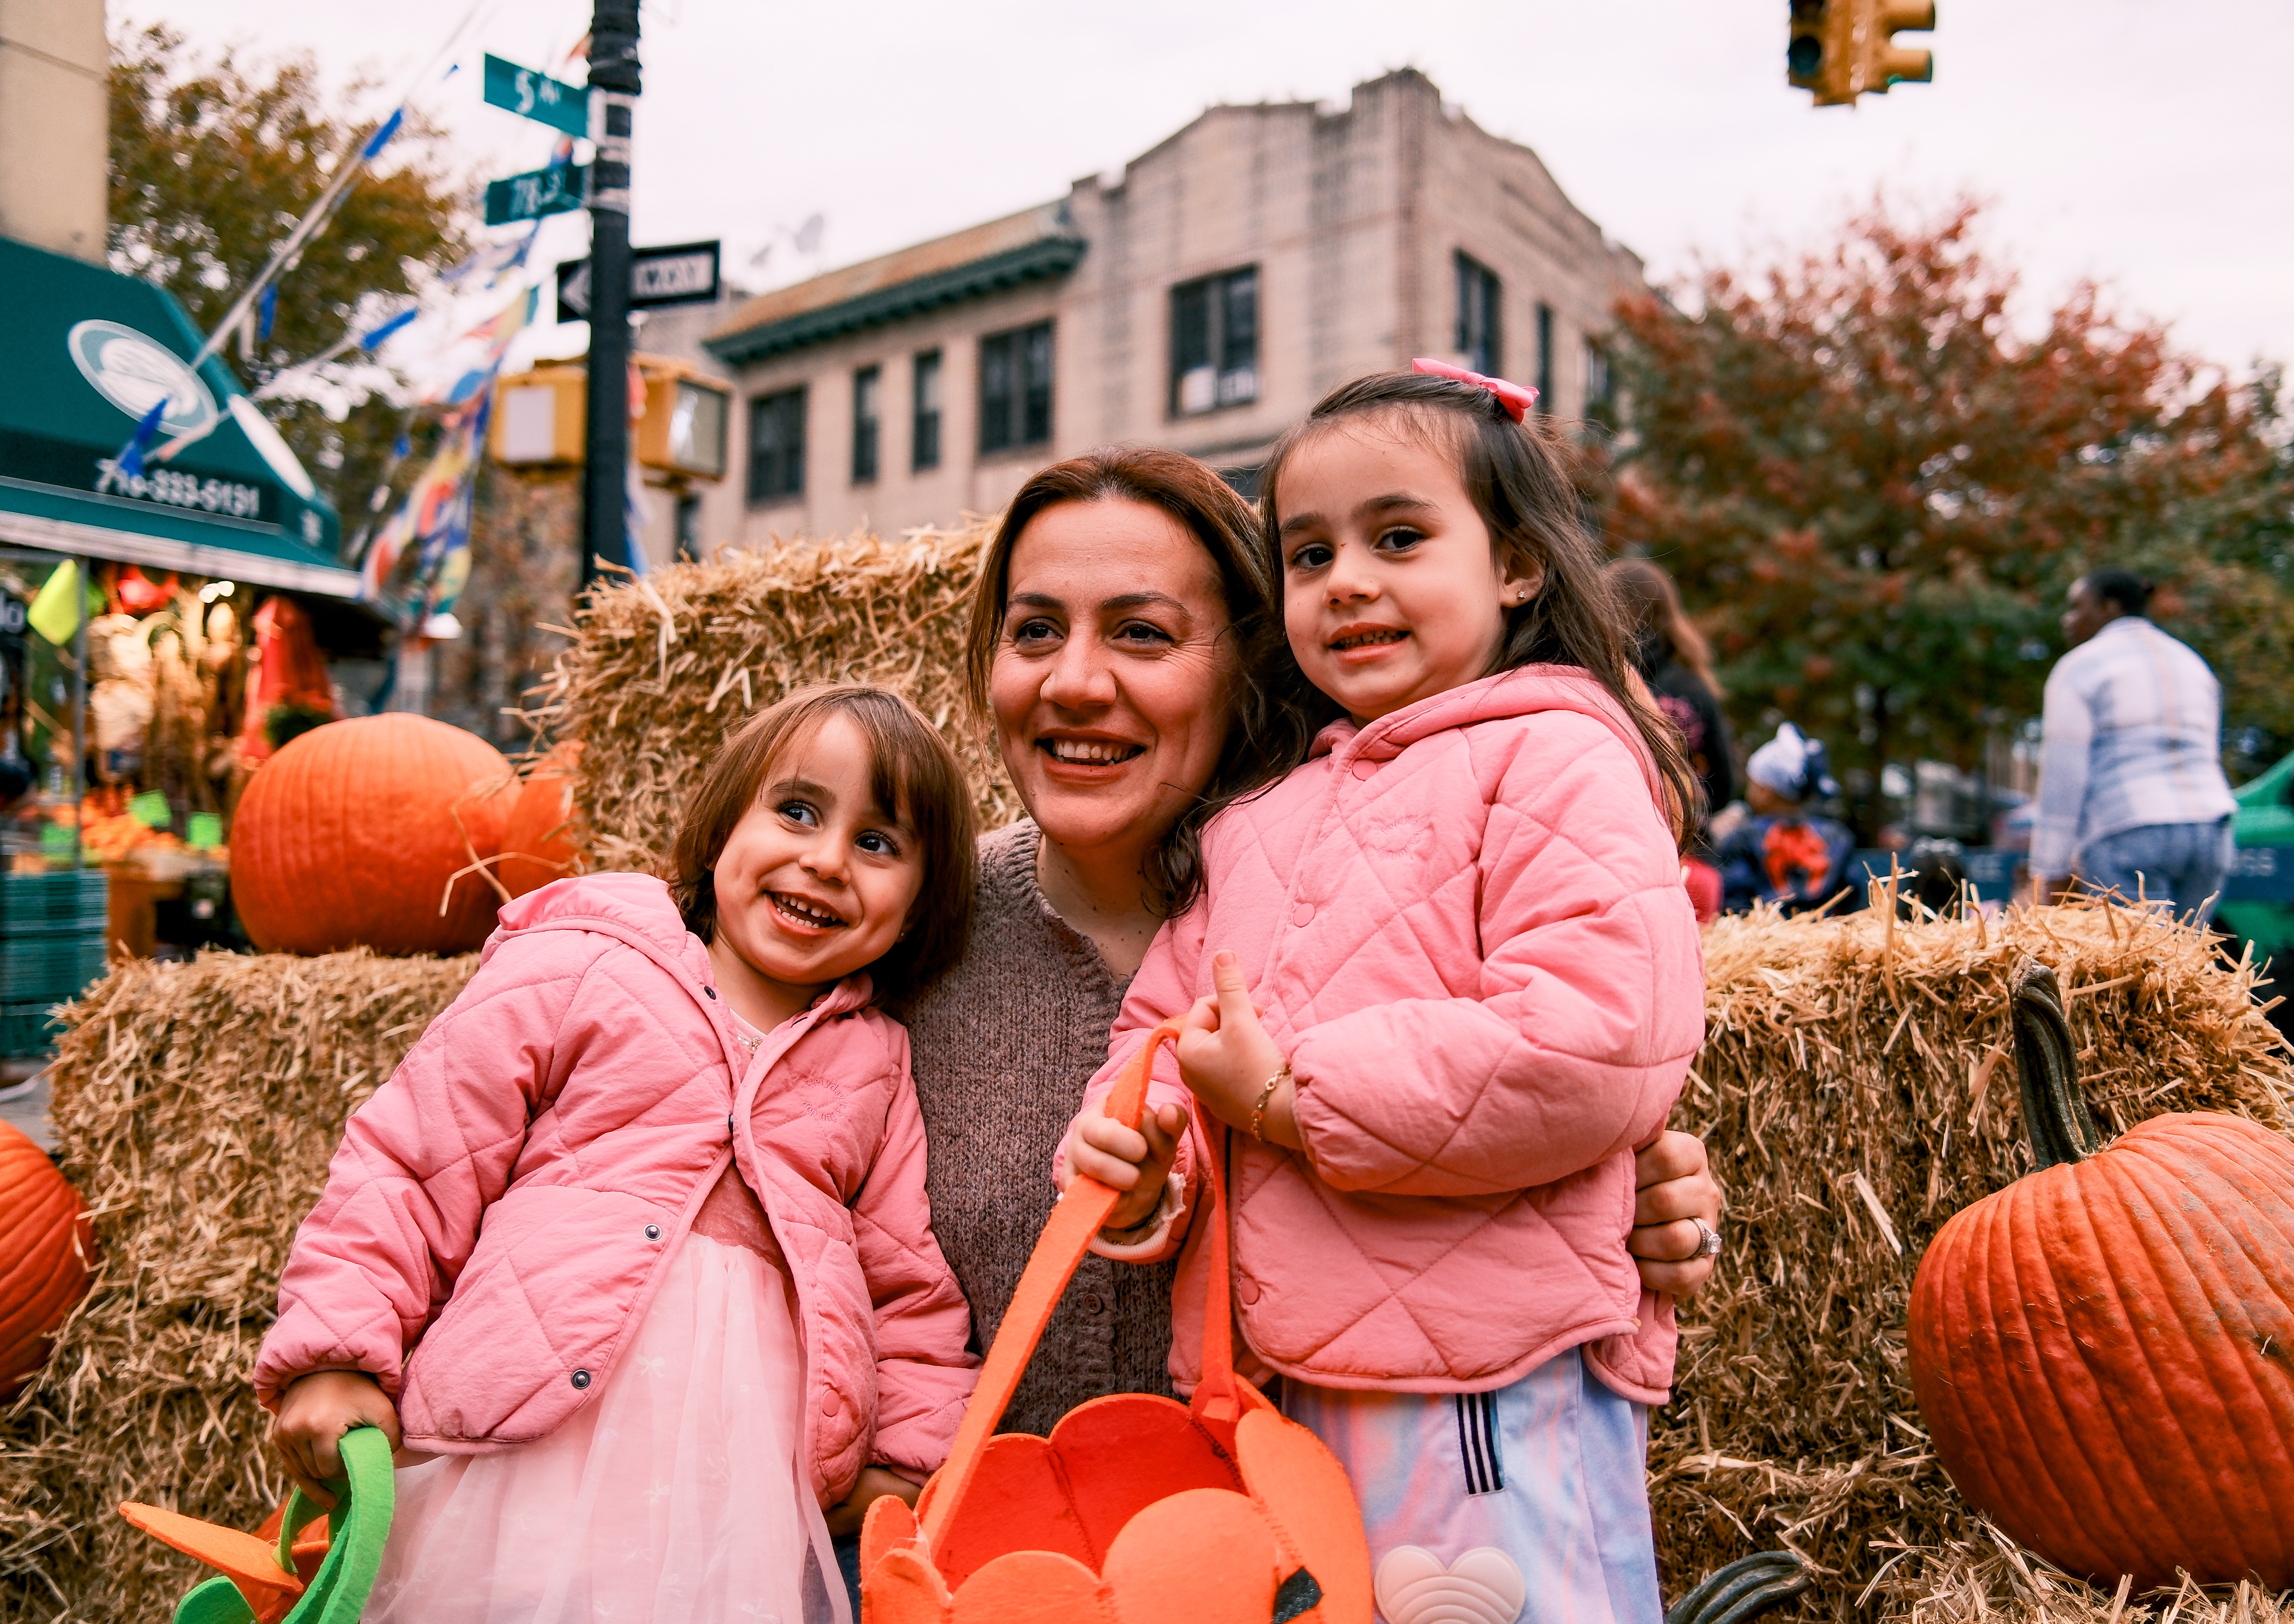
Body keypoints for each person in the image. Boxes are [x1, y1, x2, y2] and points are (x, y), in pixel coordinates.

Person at [835, 447, 1729, 1610]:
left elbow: (1559, 1077)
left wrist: (1644, 1206)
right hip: (1011, 1578)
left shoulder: (1400, 899)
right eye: (1034, 630)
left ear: (1252, 659)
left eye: (1143, 634)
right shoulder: (892, 927)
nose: (1073, 682)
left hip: (1301, 1566)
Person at [1066, 364, 1708, 1622]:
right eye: (1309, 554)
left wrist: (1293, 1095)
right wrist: (1147, 1155)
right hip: (1273, 1387)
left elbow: (1590, 1039)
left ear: (1517, 565)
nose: (1346, 580)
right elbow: (1172, 1033)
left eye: (1399, 538)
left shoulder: (1558, 755)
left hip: (1484, 1378)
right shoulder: (1261, 821)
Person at [255, 685, 982, 1624]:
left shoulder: (871, 1061)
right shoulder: (585, 958)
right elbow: (413, 1160)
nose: (825, 858)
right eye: (796, 810)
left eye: (878, 843)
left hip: (746, 1495)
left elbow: (907, 1283)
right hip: (529, 1450)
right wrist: (335, 1353)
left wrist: (907, 1457)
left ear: (922, 902)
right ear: (723, 825)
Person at [2029, 568, 2237, 921]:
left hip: (2128, 829)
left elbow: (2063, 778)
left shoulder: (2080, 667)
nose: (2068, 620)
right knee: (2183, 967)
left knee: (2135, 970)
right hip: (2210, 829)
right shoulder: (2192, 662)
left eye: (2077, 607)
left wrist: (2049, 871)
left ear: (2108, 608)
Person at [1607, 557, 1734, 920]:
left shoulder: (1598, 682)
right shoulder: (1695, 688)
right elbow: (1724, 785)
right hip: (1688, 859)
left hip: (1616, 858)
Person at [1714, 722, 1872, 914]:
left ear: (1765, 791)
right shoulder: (1838, 836)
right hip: (1824, 936)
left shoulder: (1744, 838)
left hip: (1763, 936)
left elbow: (1733, 901)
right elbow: (1853, 900)